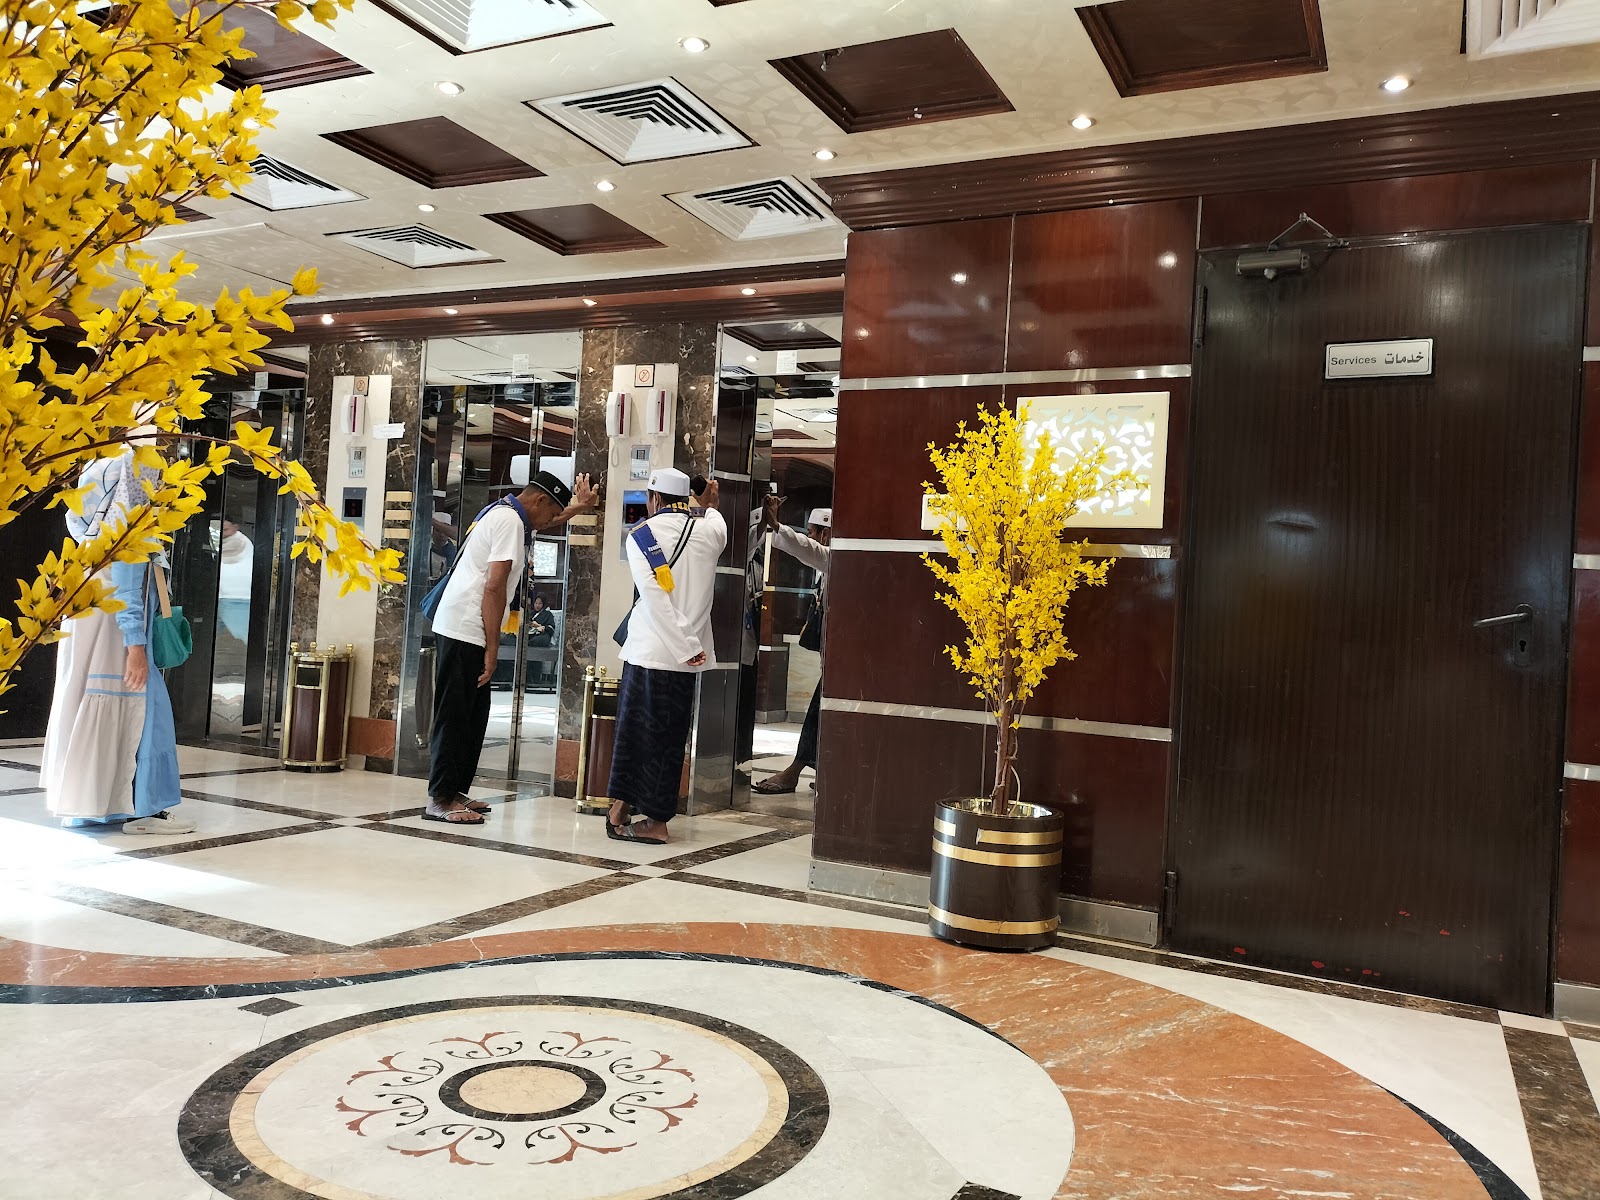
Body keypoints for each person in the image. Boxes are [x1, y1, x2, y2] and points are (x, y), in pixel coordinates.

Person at [427, 470, 598, 824]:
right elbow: (494, 588)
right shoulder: (508, 523)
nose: (551, 521)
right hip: (465, 629)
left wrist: (579, 507)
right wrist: (493, 649)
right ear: (538, 501)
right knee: (455, 716)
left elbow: (551, 519)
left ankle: (456, 789)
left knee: (474, 718)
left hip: (469, 628)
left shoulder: (510, 513)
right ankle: (440, 799)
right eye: (550, 512)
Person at [41, 448, 190, 834]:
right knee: (147, 713)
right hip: (118, 638)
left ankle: (98, 805)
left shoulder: (91, 541)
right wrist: (136, 648)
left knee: (105, 706)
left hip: (97, 633)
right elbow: (128, 588)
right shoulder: (126, 529)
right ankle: (144, 811)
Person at [607, 468, 727, 845]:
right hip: (684, 660)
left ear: (653, 498)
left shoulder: (641, 535)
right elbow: (714, 514)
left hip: (650, 652)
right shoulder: (711, 532)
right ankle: (633, 811)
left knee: (633, 734)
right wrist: (707, 503)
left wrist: (685, 646)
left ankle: (647, 820)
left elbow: (656, 598)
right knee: (668, 739)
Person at [751, 498, 831, 796]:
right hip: (830, 657)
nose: (810, 537)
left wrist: (777, 527)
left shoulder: (831, 555)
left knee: (816, 712)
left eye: (813, 532)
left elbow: (808, 550)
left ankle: (795, 770)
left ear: (826, 535)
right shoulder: (824, 566)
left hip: (843, 660)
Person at [216, 518, 253, 643]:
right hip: (228, 598)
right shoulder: (229, 541)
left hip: (238, 599)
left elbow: (224, 557)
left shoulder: (238, 542)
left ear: (235, 527)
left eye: (226, 529)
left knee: (240, 636)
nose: (223, 533)